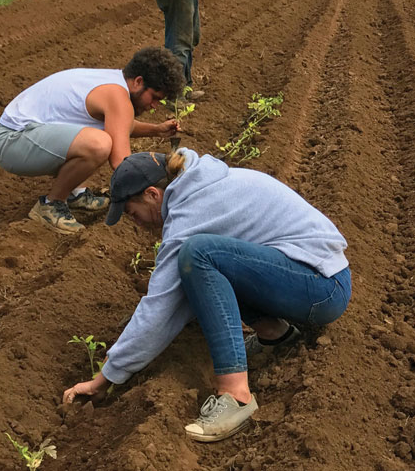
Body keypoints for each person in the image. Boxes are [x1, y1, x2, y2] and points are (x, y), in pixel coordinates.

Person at [61, 148, 351, 443]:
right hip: (316, 278)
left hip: (321, 287)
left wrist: (105, 378)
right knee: (203, 262)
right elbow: (189, 292)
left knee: (197, 254)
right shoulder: (200, 186)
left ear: (152, 194)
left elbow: (161, 304)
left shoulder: (192, 213)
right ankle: (275, 335)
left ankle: (236, 395)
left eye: (132, 213)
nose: (135, 222)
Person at [0, 47, 185, 234]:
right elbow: (122, 163)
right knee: (99, 145)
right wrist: (151, 189)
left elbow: (120, 123)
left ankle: (76, 194)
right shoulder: (117, 97)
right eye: (154, 98)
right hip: (12, 141)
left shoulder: (113, 83)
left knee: (100, 137)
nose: (153, 106)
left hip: (25, 135)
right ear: (138, 82)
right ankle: (51, 206)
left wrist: (156, 130)